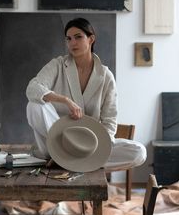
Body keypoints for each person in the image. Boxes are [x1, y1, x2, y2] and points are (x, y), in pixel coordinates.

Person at [26, 17, 146, 170]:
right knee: (34, 105)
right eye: (68, 39)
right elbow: (33, 88)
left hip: (89, 145)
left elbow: (109, 120)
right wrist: (65, 100)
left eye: (78, 37)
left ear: (91, 39)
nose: (72, 43)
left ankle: (73, 161)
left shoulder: (105, 75)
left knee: (139, 152)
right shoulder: (58, 65)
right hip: (57, 140)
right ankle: (65, 156)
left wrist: (102, 147)